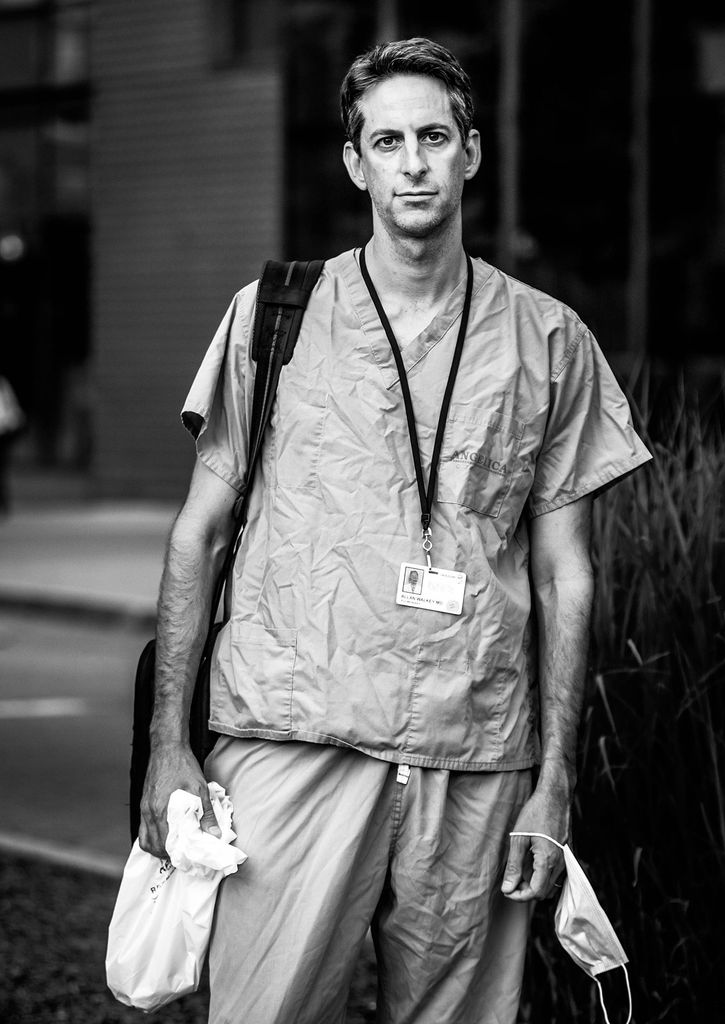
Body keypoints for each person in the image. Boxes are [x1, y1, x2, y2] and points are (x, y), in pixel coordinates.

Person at [139, 37, 652, 1024]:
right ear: (353, 162)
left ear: (470, 152)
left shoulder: (550, 339)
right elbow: (195, 537)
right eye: (387, 141)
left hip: (475, 754)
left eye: (431, 137)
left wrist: (555, 784)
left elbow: (565, 576)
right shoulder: (271, 318)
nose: (411, 162)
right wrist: (171, 745)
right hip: (293, 738)